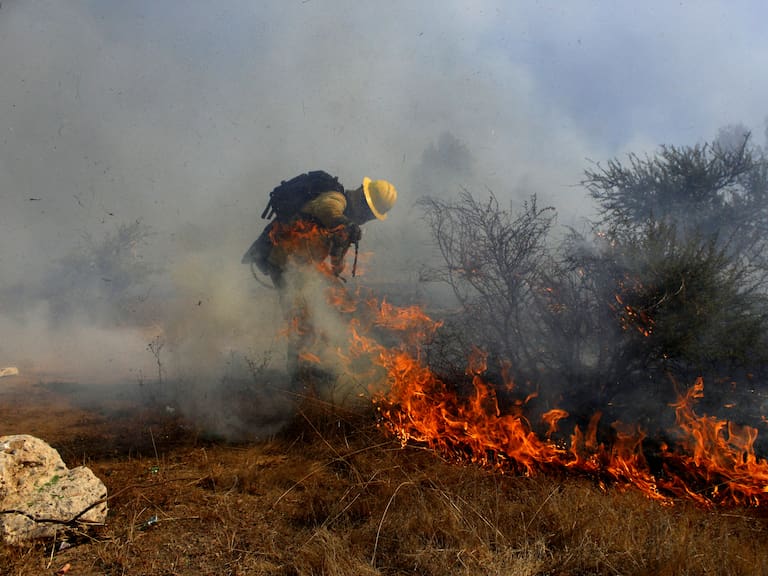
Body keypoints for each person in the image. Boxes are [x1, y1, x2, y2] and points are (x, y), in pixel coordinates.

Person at [244, 174, 398, 384]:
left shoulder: (345, 223)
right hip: (284, 262)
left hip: (302, 264)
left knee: (326, 309)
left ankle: (313, 364)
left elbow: (335, 255)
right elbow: (328, 210)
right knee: (300, 315)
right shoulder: (336, 199)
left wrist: (336, 268)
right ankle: (297, 376)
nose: (366, 219)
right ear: (363, 200)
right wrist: (344, 223)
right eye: (370, 214)